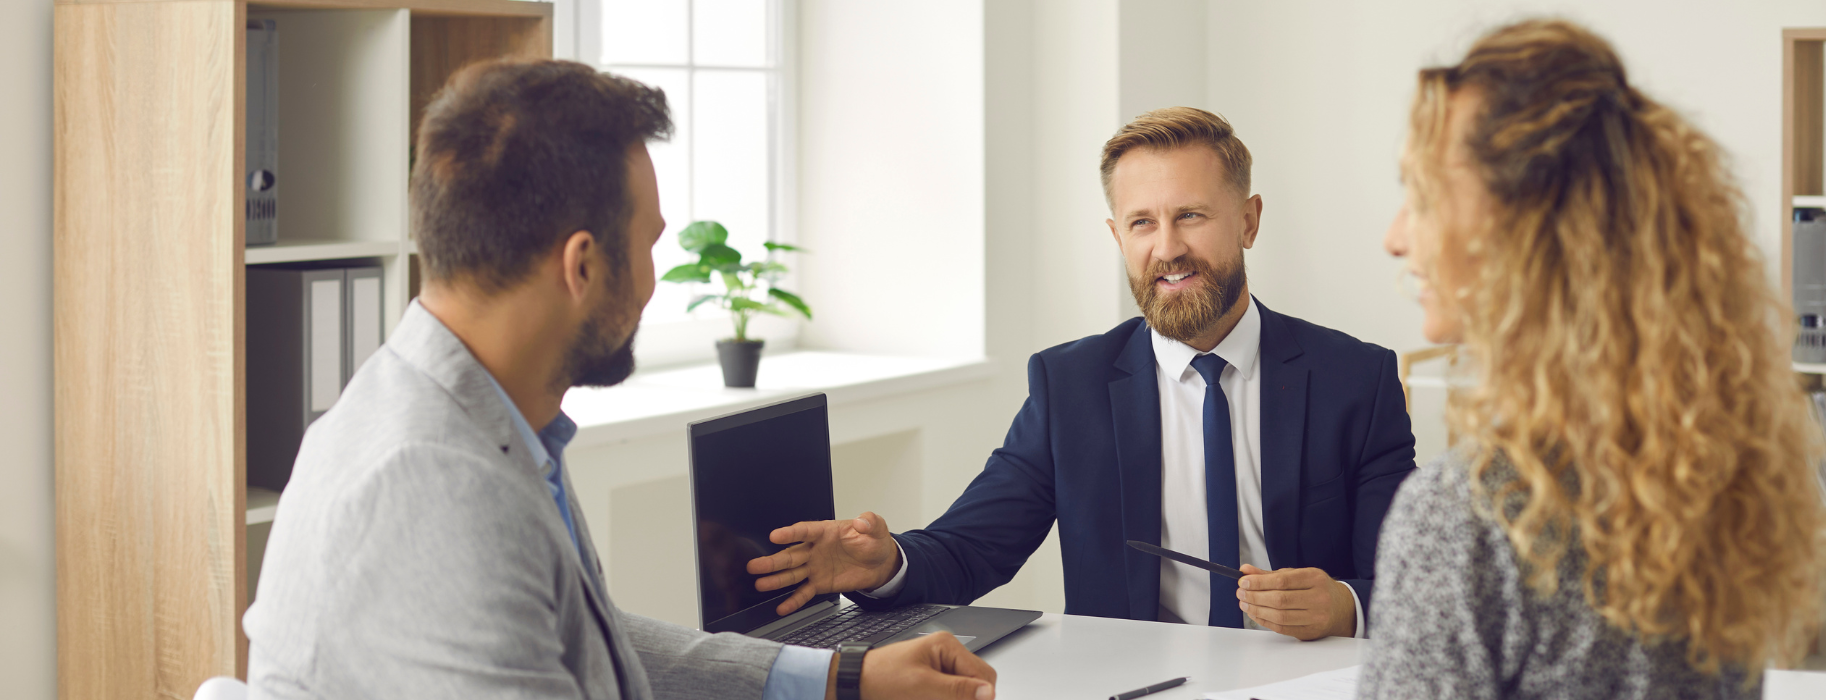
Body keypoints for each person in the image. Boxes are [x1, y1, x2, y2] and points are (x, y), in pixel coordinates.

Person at [243, 59, 997, 700]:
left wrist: (841, 677)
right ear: (581, 265)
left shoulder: (480, 414)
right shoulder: (435, 479)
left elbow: (586, 625)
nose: (650, 283)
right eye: (647, 246)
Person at [749, 107, 1417, 640]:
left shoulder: (1355, 379)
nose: (1168, 248)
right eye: (1141, 223)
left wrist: (1342, 606)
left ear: (1247, 220)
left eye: (1190, 215)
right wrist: (886, 564)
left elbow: (1410, 590)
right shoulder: (1069, 386)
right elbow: (970, 550)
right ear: (1117, 237)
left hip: (1305, 680)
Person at [1362, 20, 1826, 698]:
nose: (1395, 236)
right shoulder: (1707, 475)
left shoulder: (1468, 518)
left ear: (1524, 231)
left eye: (1424, 195)